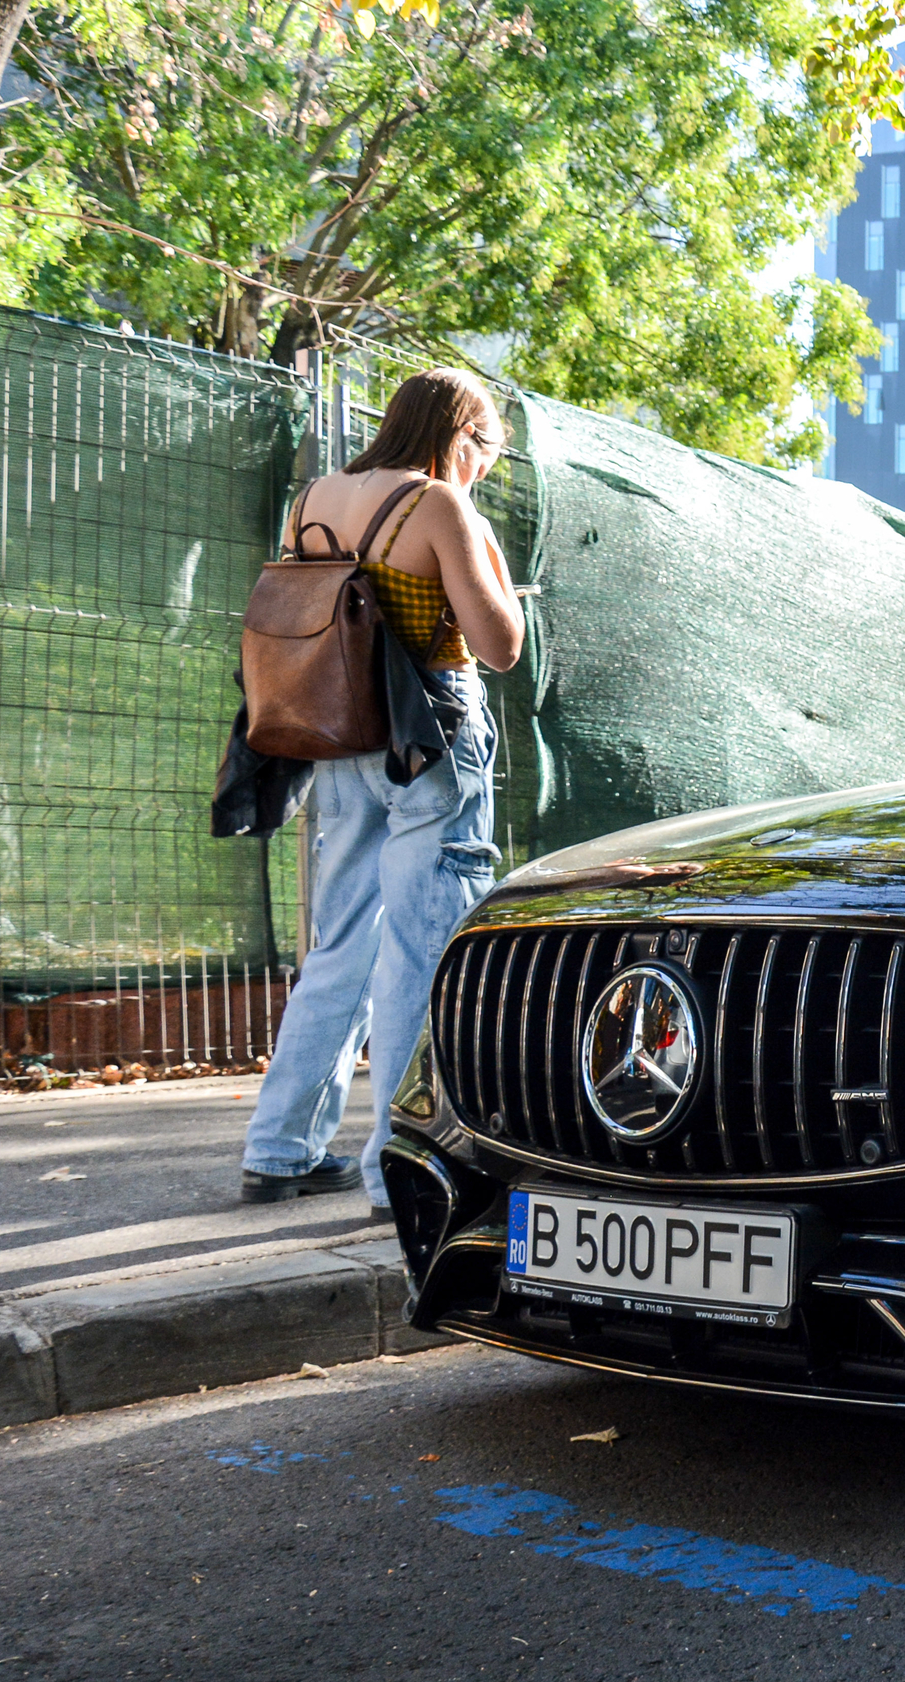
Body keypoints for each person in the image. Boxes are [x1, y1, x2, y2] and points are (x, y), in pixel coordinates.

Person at [238, 370, 524, 1211]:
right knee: (425, 948)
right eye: (486, 447)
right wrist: (490, 556)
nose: (484, 465)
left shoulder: (317, 497)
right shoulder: (437, 505)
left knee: (342, 943)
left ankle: (281, 1148)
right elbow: (497, 644)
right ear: (458, 430)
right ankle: (401, 1169)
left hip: (339, 728)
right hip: (430, 735)